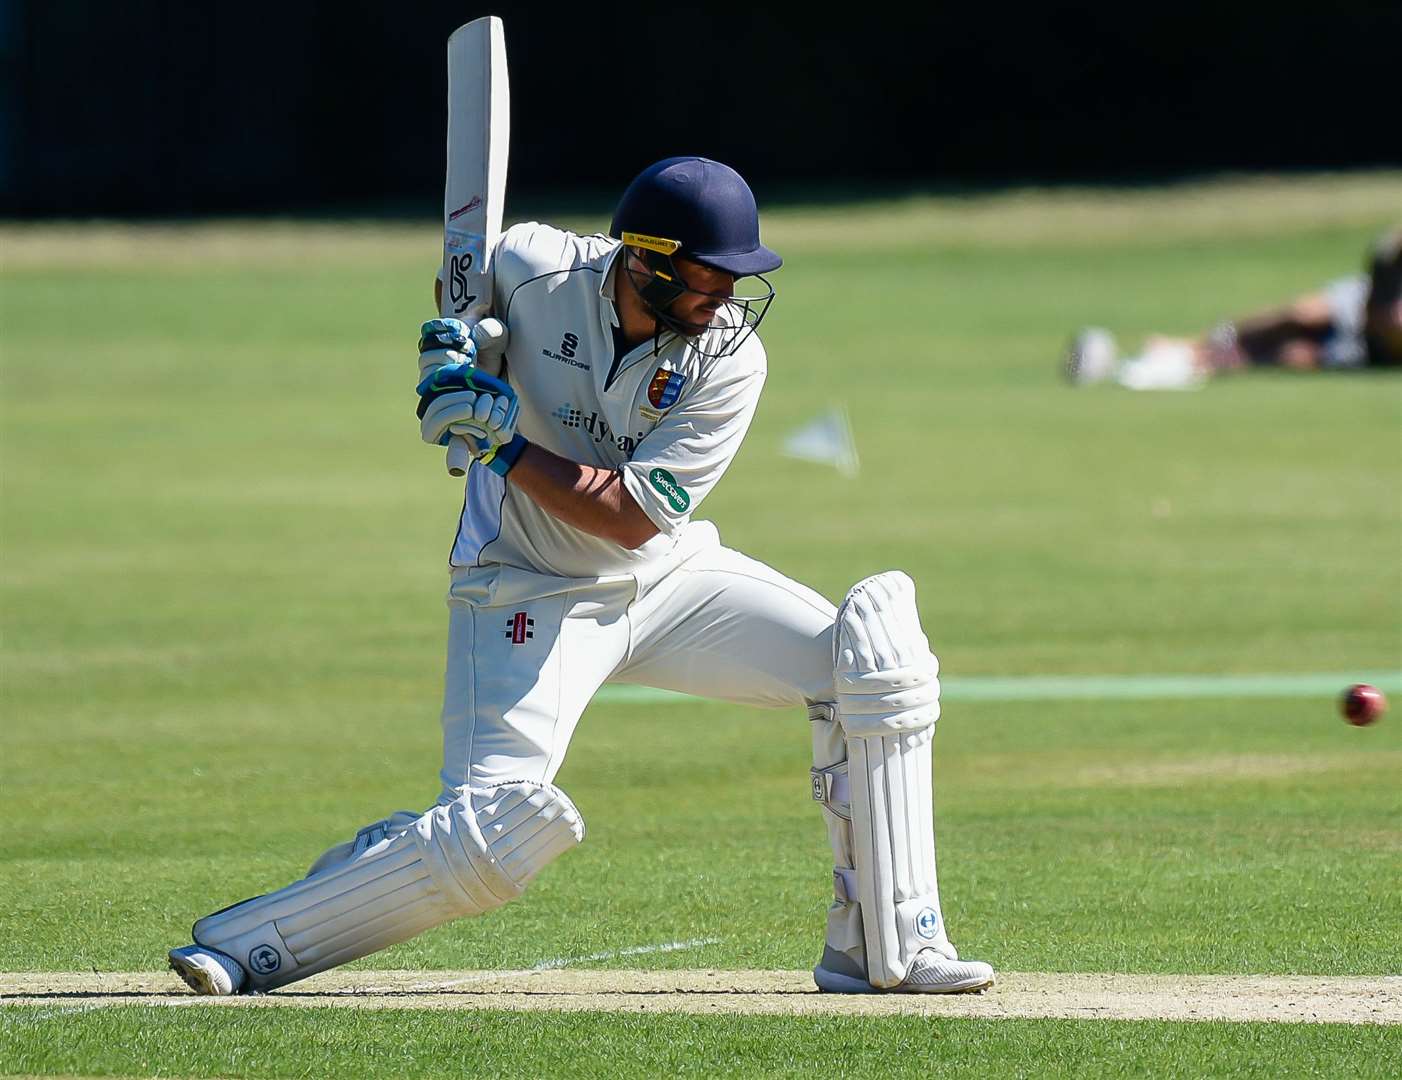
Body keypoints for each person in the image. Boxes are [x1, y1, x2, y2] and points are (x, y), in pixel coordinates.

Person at [167, 156, 995, 997]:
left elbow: (631, 517)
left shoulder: (731, 360)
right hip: (524, 587)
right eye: (712, 275)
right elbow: (461, 285)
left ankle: (890, 945)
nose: (727, 298)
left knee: (874, 659)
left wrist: (502, 444)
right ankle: (253, 939)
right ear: (646, 258)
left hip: (667, 579)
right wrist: (454, 348)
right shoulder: (533, 265)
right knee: (490, 837)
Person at [1066, 229, 1402, 389]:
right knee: (1300, 315)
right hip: (1366, 307)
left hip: (1374, 347)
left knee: (1293, 355)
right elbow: (1383, 255)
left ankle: (1200, 359)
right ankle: (1196, 344)